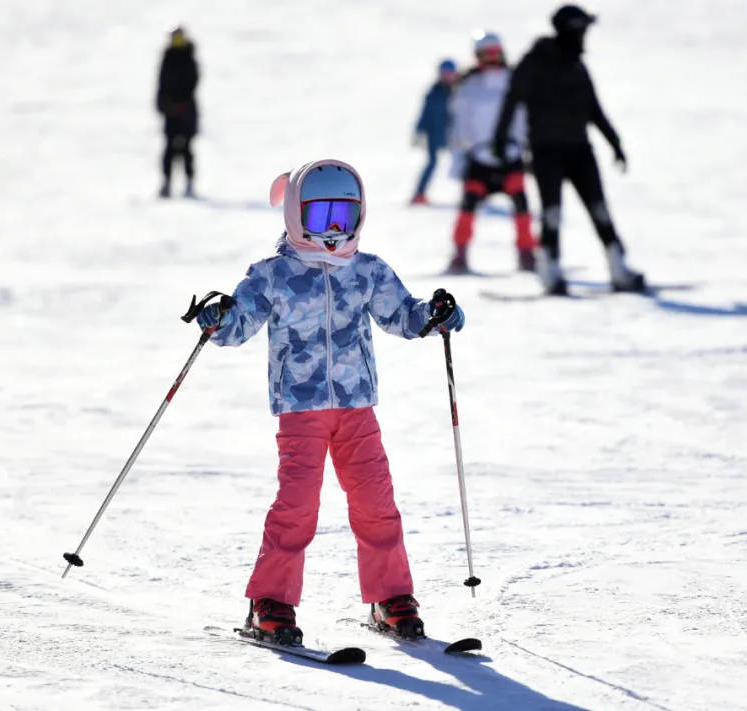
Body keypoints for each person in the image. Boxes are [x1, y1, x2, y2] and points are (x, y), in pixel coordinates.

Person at [194, 159, 466, 644]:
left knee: (376, 502)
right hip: (301, 410)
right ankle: (270, 602)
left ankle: (390, 596)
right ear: (297, 217)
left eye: (345, 216)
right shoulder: (272, 275)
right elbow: (238, 326)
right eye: (322, 218)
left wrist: (435, 316)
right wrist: (217, 319)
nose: (335, 230)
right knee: (297, 506)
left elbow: (402, 316)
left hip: (357, 407)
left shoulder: (367, 270)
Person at [493, 5, 643, 295]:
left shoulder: (576, 65)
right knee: (552, 213)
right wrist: (500, 141)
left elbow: (593, 109)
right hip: (546, 152)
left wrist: (615, 143)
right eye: (582, 30)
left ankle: (618, 268)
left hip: (580, 151)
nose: (585, 36)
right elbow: (512, 100)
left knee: (599, 210)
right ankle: (550, 271)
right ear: (572, 30)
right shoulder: (535, 62)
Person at [446, 31, 536, 274]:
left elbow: (524, 118)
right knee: (468, 204)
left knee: (521, 203)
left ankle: (527, 253)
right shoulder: (468, 87)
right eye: (486, 54)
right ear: (477, 56)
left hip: (510, 157)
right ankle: (460, 254)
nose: (491, 58)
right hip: (479, 159)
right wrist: (458, 160)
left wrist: (527, 147)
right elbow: (459, 127)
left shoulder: (514, 80)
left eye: (495, 53)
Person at [156, 26, 199, 198]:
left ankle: (189, 184)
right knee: (169, 150)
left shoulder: (189, 58)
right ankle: (166, 184)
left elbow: (192, 83)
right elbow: (161, 85)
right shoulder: (167, 58)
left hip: (187, 111)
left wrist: (183, 104)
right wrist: (164, 105)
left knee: (187, 149)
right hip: (170, 112)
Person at [411, 59, 458, 205]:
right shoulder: (434, 91)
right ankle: (419, 194)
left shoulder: (459, 91)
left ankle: (473, 195)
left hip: (455, 135)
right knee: (432, 162)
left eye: (449, 73)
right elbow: (424, 113)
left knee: (463, 164)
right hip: (434, 134)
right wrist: (419, 131)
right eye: (444, 73)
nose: (447, 76)